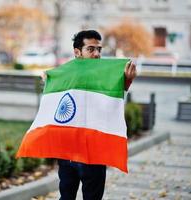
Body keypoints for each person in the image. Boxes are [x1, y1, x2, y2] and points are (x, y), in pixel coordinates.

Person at [57, 30, 137, 200]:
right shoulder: (64, 75)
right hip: (67, 153)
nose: (97, 54)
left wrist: (127, 80)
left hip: (93, 154)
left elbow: (113, 100)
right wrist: (48, 80)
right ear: (77, 52)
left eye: (99, 50)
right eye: (91, 49)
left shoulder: (105, 76)